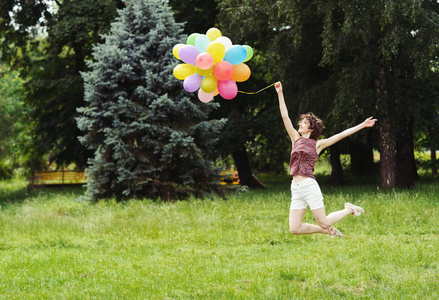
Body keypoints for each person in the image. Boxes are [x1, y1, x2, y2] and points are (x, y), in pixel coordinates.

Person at [274, 81, 377, 237]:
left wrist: (362, 125)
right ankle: (327, 231)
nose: (300, 124)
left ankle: (349, 209)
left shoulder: (318, 144)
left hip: (309, 185)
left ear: (312, 128)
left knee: (324, 221)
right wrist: (280, 93)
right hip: (295, 187)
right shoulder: (295, 138)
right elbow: (284, 116)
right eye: (300, 122)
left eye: (304, 122)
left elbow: (342, 134)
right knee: (295, 228)